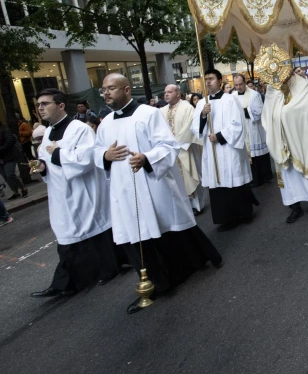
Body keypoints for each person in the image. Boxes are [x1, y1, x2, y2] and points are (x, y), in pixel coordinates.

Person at [95, 74, 222, 314]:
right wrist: (104, 156)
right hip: (124, 190)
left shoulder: (148, 114)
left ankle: (174, 273)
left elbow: (168, 146)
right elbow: (97, 152)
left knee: (163, 229)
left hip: (151, 184)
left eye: (111, 88)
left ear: (126, 89)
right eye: (103, 90)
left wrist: (147, 158)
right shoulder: (105, 124)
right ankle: (156, 280)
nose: (106, 93)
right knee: (139, 234)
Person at [30, 88, 121, 298]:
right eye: (38, 105)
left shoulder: (79, 129)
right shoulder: (48, 132)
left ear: (61, 105)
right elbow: (46, 158)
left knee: (94, 230)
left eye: (45, 104)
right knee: (68, 234)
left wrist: (58, 154)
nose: (40, 108)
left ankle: (106, 268)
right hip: (60, 192)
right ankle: (69, 281)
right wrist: (41, 166)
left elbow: (87, 159)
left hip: (83, 190)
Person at [191, 69, 259, 231]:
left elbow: (238, 124)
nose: (208, 82)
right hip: (212, 150)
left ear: (219, 80)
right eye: (206, 79)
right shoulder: (201, 104)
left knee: (234, 180)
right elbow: (195, 129)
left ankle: (244, 213)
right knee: (218, 184)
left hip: (229, 149)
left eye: (211, 79)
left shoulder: (230, 100)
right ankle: (225, 218)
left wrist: (220, 136)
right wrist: (202, 115)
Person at [262, 67, 308, 224]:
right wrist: (278, 117)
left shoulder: (301, 84)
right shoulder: (271, 88)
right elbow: (268, 113)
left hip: (301, 137)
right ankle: (295, 207)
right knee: (289, 175)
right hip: (281, 140)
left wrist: (286, 112)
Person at [159, 84, 208, 215]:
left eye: (169, 92)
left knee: (190, 174)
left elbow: (189, 127)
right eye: (165, 92)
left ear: (177, 93)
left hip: (185, 149)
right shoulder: (161, 111)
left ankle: (197, 205)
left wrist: (175, 142)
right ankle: (182, 206)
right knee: (175, 179)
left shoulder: (187, 107)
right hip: (169, 152)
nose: (166, 94)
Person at [232, 74, 274, 187]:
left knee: (258, 155)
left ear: (245, 83)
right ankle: (251, 178)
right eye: (236, 85)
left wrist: (242, 111)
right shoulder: (233, 96)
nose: (239, 87)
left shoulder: (254, 94)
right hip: (242, 130)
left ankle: (263, 177)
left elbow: (259, 112)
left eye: (241, 84)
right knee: (246, 155)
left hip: (253, 128)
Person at [0, 118, 27, 199]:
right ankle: (15, 192)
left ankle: (23, 188)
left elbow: (9, 142)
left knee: (10, 174)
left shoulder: (5, 131)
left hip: (9, 156)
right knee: (5, 176)